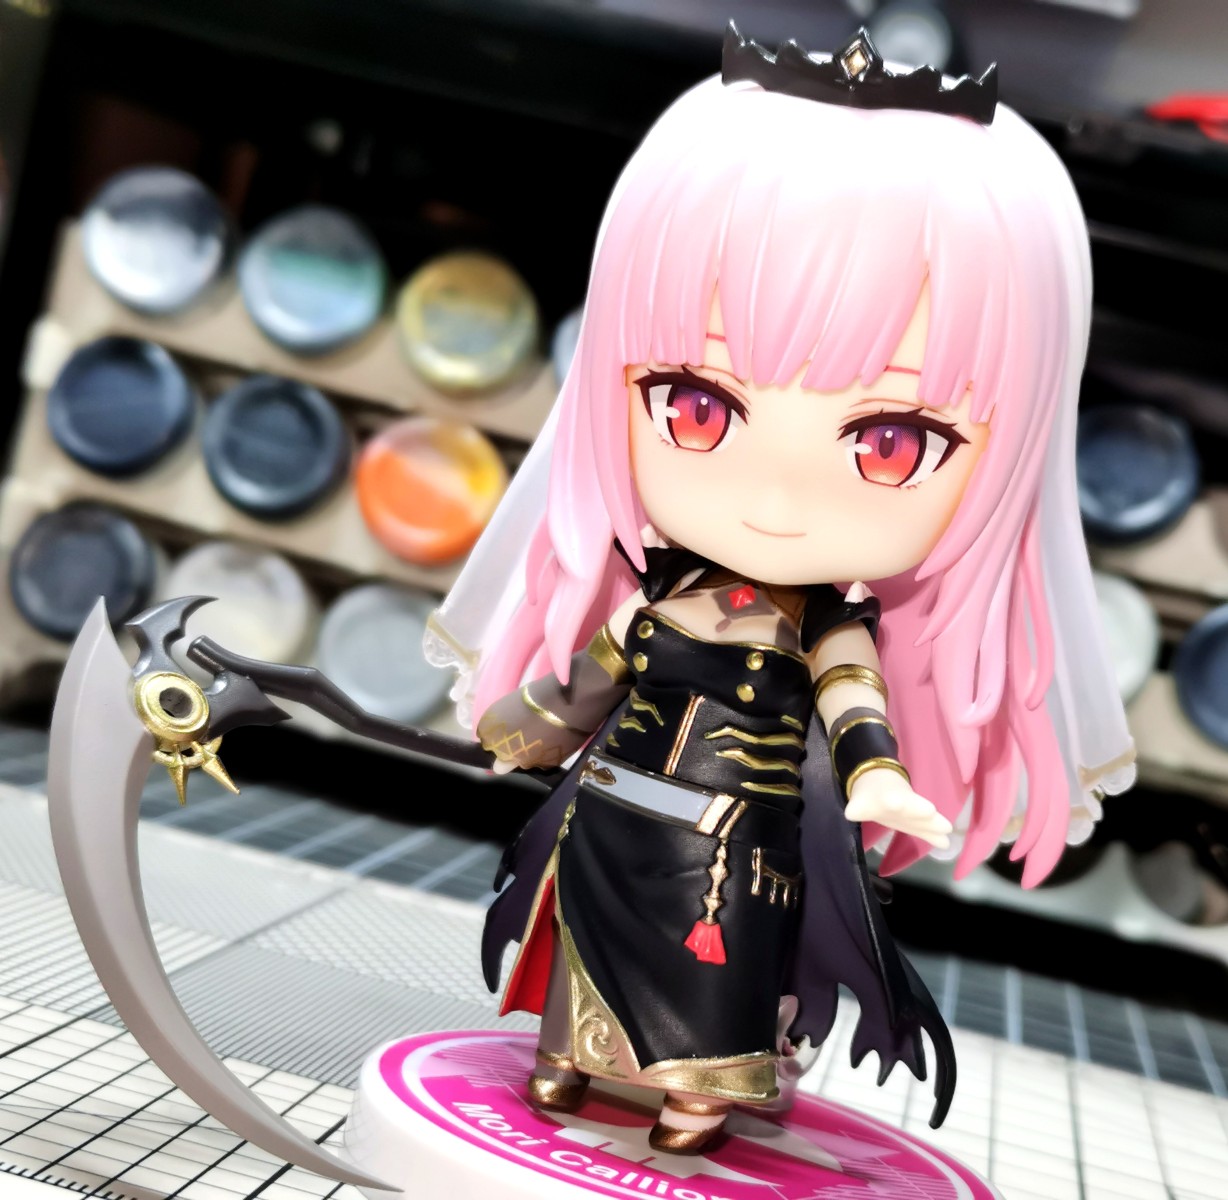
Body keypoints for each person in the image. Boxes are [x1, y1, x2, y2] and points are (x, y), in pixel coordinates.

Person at [425, 25, 1135, 1156]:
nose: (776, 498)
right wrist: (514, 727)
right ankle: (569, 1057)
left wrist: (882, 779)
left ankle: (699, 1090)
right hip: (615, 809)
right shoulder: (656, 602)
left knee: (712, 975)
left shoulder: (826, 629)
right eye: (696, 405)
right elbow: (584, 685)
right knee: (587, 953)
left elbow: (853, 708)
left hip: (730, 841)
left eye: (891, 443)